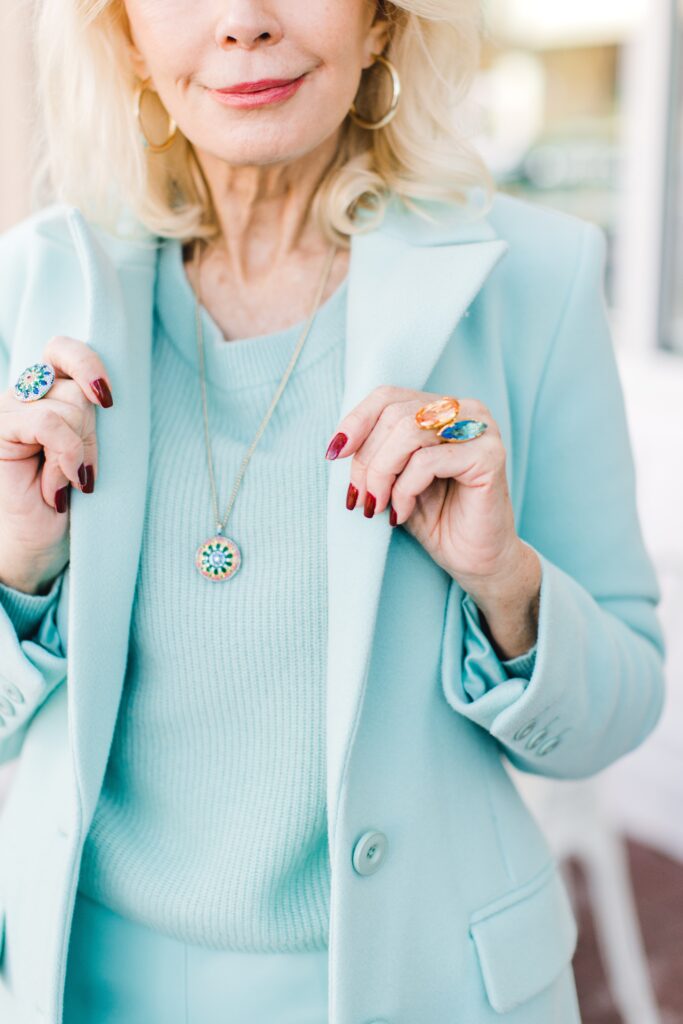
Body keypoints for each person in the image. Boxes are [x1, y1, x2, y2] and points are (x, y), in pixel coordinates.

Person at [0, 0, 667, 1021]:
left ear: (383, 21)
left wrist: (503, 579)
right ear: (123, 33)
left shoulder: (536, 275)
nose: (242, 21)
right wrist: (19, 566)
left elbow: (612, 714)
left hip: (427, 991)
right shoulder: (34, 282)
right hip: (89, 989)